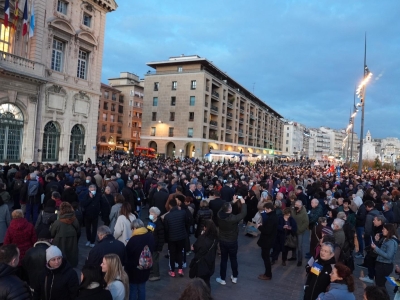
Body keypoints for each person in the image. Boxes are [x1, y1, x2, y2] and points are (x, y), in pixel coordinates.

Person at [215, 195, 247, 285]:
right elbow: (243, 214)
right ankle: (235, 276)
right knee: (233, 259)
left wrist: (233, 201)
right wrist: (243, 203)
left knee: (224, 260)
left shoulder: (219, 215)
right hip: (232, 241)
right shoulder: (232, 219)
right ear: (230, 210)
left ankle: (222, 278)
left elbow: (223, 207)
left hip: (222, 240)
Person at [125, 219, 155, 300]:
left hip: (134, 269)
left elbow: (128, 254)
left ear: (135, 228)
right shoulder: (150, 236)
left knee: (133, 289)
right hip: (146, 268)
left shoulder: (133, 239)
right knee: (142, 288)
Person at [164, 198, 190, 278]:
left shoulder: (167, 216)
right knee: (179, 252)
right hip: (181, 236)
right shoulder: (183, 212)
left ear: (170, 206)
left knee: (172, 254)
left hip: (172, 238)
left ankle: (172, 271)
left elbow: (166, 229)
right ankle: (180, 269)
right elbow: (186, 222)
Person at [50, 202, 80, 267]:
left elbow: (52, 233)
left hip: (59, 243)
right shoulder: (75, 220)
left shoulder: (58, 222)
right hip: (72, 243)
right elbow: (78, 232)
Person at [190, 219, 218, 289]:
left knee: (199, 283)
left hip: (201, 264)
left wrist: (202, 236)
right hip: (210, 263)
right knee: (207, 281)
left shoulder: (202, 238)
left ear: (205, 228)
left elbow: (196, 248)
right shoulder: (215, 238)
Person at [370, 222, 398, 289]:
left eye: (384, 229)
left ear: (389, 231)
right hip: (381, 264)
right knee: (379, 283)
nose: (382, 230)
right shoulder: (385, 238)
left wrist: (376, 248)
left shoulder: (391, 242)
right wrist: (376, 241)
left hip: (384, 265)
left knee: (380, 285)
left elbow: (388, 256)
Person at [256, 202, 278, 280]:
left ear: (269, 209)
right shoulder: (272, 216)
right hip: (268, 240)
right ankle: (267, 273)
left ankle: (268, 274)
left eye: (266, 210)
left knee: (266, 257)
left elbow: (267, 230)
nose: (265, 211)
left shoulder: (272, 218)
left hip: (267, 240)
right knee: (265, 256)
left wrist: (259, 227)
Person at [148, 207, 164, 282]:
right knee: (151, 259)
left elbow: (161, 238)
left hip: (155, 245)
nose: (150, 215)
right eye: (150, 213)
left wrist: (159, 248)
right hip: (151, 244)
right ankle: (152, 271)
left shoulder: (159, 224)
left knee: (155, 260)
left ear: (156, 215)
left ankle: (156, 275)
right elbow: (149, 231)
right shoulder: (151, 221)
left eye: (152, 213)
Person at [291, 200, 309, 266]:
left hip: (300, 231)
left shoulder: (304, 213)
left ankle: (300, 260)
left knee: (299, 246)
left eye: (297, 205)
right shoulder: (293, 210)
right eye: (295, 205)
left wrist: (300, 229)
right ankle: (293, 256)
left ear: (301, 206)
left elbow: (306, 222)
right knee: (293, 243)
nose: (296, 206)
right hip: (293, 230)